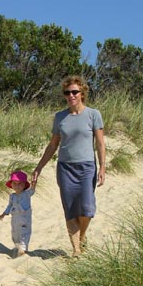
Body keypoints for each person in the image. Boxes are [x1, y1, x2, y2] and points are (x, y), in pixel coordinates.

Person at [32, 75, 106, 257]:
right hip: (65, 168)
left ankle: (82, 236)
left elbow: (100, 143)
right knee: (71, 209)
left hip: (87, 167)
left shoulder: (93, 114)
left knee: (87, 208)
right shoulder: (60, 117)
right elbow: (53, 145)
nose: (71, 95)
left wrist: (103, 167)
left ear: (82, 93)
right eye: (67, 92)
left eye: (74, 92)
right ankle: (76, 250)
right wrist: (39, 167)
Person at [0, 170, 36, 257]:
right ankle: (18, 246)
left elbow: (32, 190)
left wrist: (34, 183)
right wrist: (4, 213)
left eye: (20, 184)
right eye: (14, 183)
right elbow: (9, 205)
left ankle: (23, 249)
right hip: (15, 218)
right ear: (11, 185)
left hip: (24, 219)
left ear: (24, 185)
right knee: (15, 233)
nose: (17, 186)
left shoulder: (27, 193)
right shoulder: (12, 196)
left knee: (24, 232)